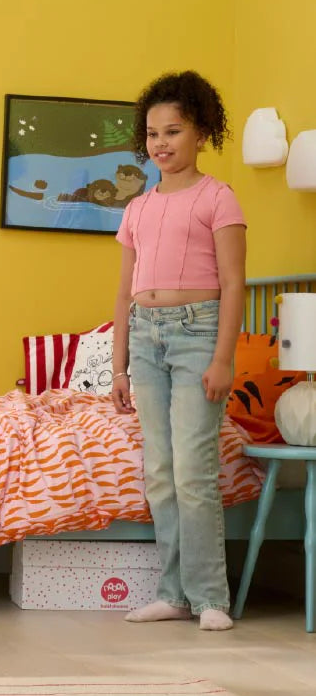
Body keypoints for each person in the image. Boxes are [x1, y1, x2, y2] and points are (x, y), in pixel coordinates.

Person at [111, 71, 247, 631]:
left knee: (193, 469)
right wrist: (118, 367)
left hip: (198, 334)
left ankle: (210, 596)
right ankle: (173, 594)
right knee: (161, 472)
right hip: (145, 337)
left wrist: (223, 358)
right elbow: (124, 291)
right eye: (152, 134)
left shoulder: (218, 198)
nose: (161, 143)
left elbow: (234, 283)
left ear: (201, 133)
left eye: (173, 131)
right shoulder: (138, 208)